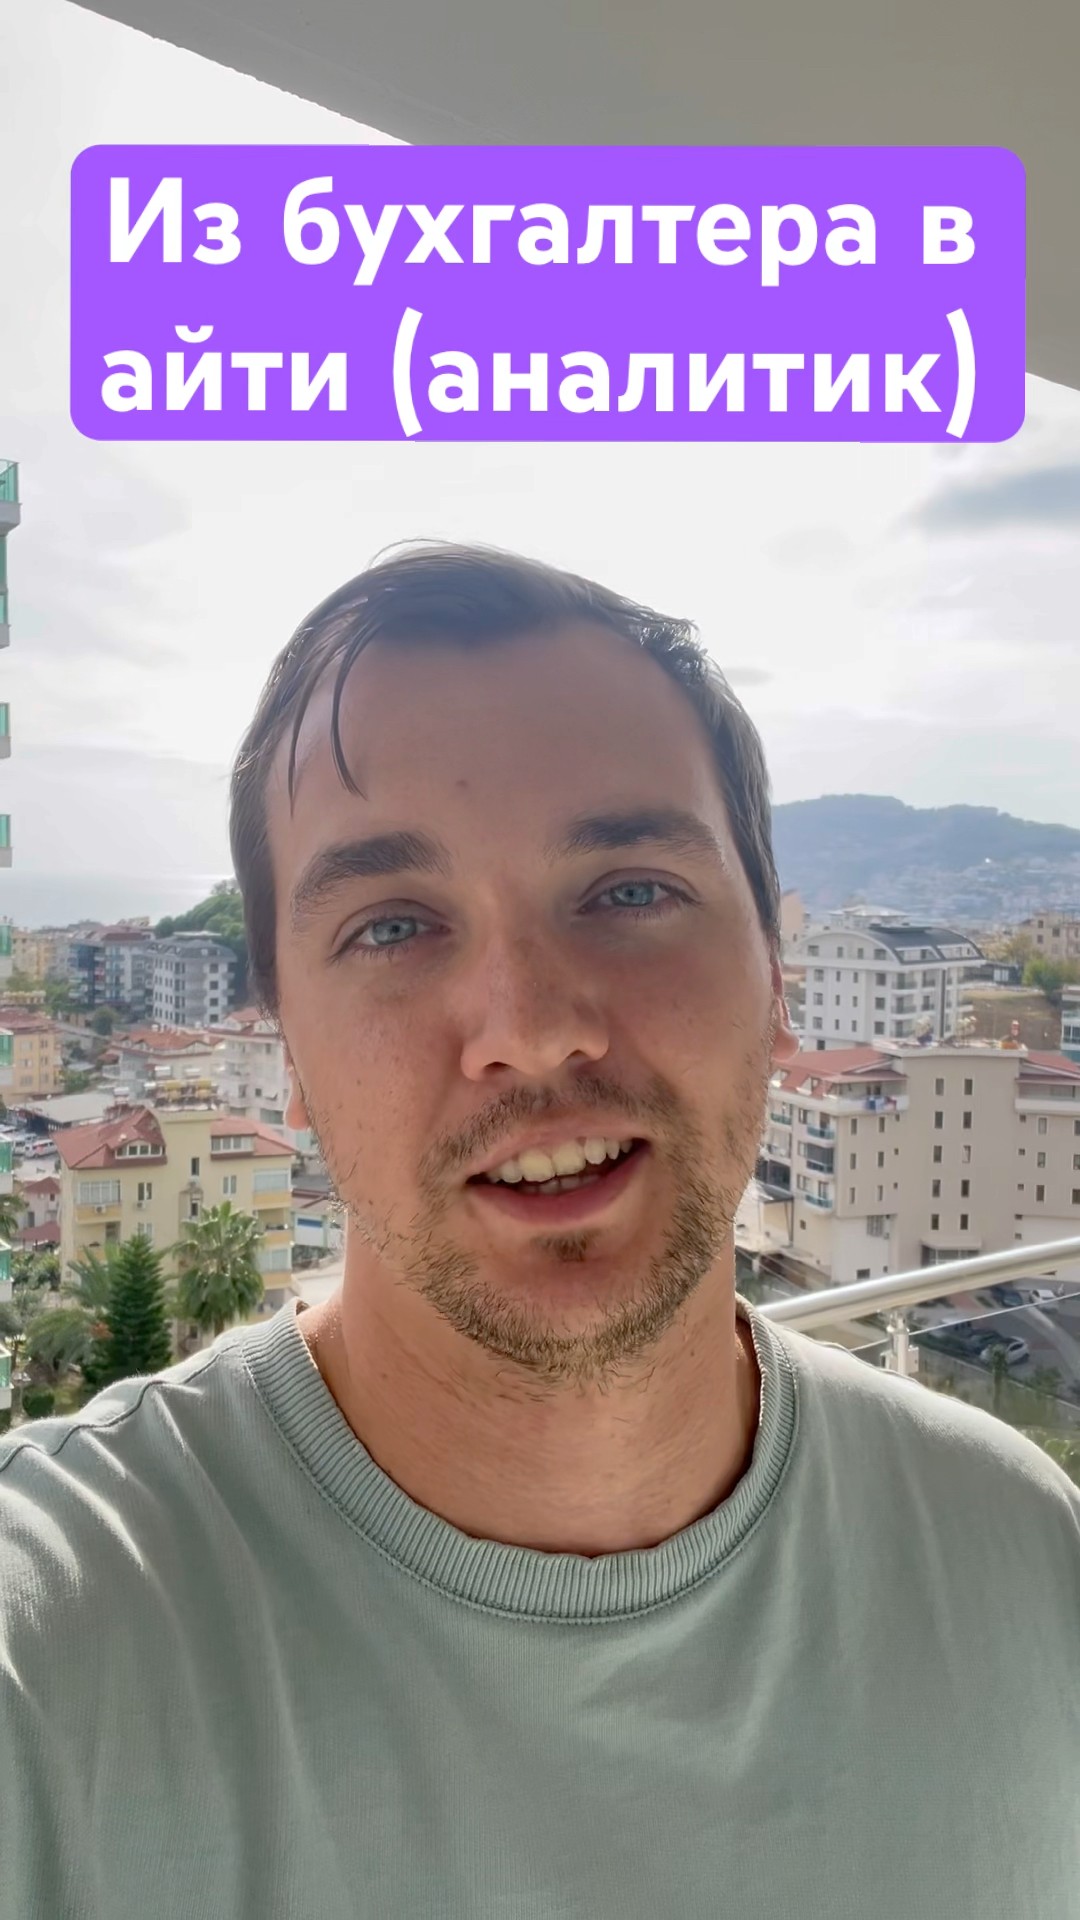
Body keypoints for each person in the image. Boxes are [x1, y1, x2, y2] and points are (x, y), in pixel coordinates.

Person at [1, 543, 1077, 1919]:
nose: (531, 1028)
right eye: (393, 927)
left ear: (776, 975)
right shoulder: (51, 1661)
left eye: (629, 890)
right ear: (285, 1051)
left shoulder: (1021, 1555)